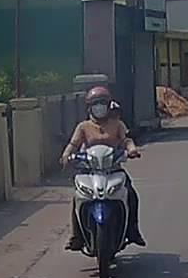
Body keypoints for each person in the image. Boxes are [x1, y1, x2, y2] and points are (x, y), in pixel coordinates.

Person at [59, 86, 146, 250]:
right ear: (89, 107)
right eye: (95, 104)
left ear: (108, 106)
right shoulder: (83, 127)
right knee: (78, 198)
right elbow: (73, 144)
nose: (99, 107)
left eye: (102, 103)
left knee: (131, 194)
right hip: (89, 171)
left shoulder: (117, 124)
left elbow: (126, 140)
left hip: (113, 169)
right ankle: (77, 236)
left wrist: (132, 149)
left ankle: (133, 230)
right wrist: (66, 155)